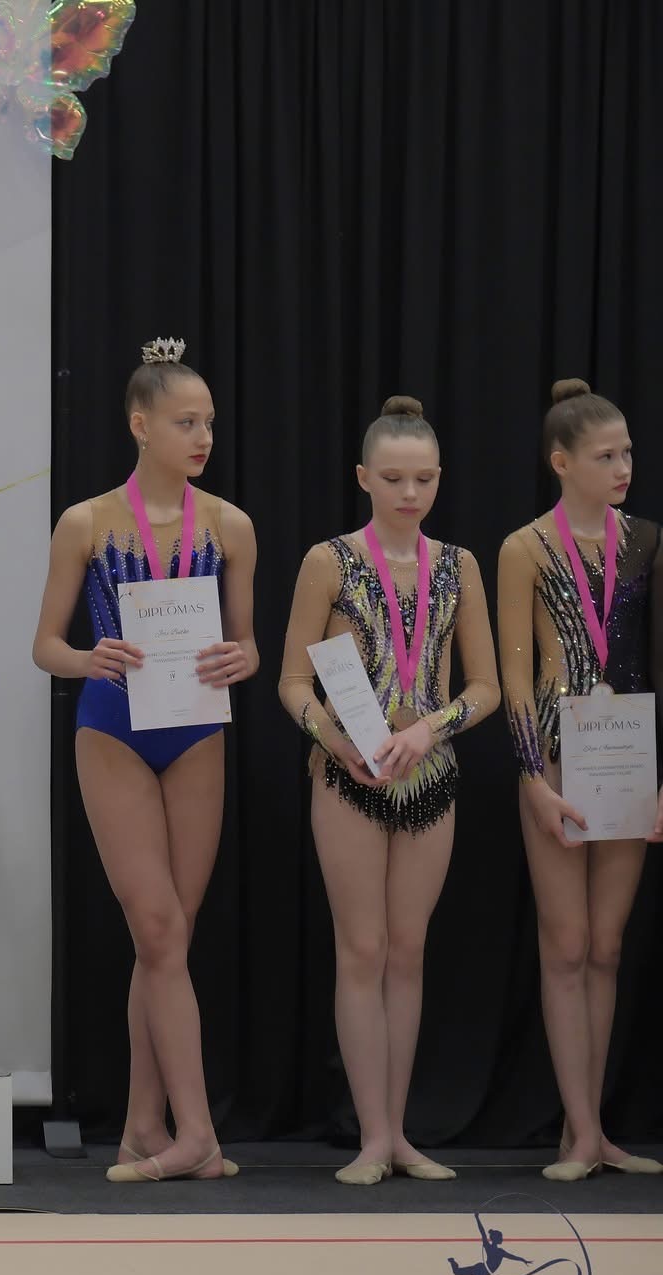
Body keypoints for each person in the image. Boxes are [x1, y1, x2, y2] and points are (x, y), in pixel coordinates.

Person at [31, 338, 257, 1181]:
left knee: (167, 939)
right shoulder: (87, 523)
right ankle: (197, 1135)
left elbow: (248, 644)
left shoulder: (230, 525)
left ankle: (140, 1126)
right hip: (114, 729)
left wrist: (241, 658)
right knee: (158, 928)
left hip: (195, 728)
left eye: (208, 423)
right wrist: (86, 657)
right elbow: (45, 645)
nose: (202, 438)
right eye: (185, 422)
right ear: (140, 425)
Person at [278, 396, 497, 1185]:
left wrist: (429, 729)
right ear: (363, 476)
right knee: (362, 949)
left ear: (440, 478)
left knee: (407, 952)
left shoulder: (459, 566)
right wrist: (334, 740)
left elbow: (486, 687)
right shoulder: (328, 562)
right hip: (350, 774)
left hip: (427, 774)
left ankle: (399, 1134)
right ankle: (371, 1136)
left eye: (424, 479)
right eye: (395, 478)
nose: (410, 492)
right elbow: (292, 682)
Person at [496, 379, 663, 1181]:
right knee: (565, 946)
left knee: (606, 945)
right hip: (556, 756)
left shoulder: (647, 543)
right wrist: (533, 778)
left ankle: (591, 1130)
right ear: (562, 463)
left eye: (627, 452)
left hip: (628, 753)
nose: (623, 467)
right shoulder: (524, 548)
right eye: (606, 456)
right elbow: (515, 674)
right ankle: (581, 1135)